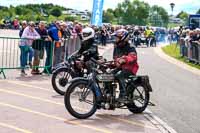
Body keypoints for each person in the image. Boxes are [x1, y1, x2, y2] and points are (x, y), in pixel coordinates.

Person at [112, 29, 139, 102]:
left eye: (117, 37)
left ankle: (123, 95)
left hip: (130, 68)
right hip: (120, 67)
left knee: (119, 75)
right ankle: (109, 94)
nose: (115, 39)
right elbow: (115, 58)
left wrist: (124, 59)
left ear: (123, 38)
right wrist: (111, 63)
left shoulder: (130, 46)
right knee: (108, 74)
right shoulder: (116, 46)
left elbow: (133, 57)